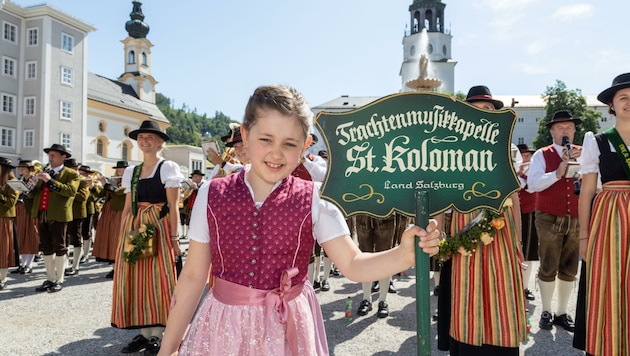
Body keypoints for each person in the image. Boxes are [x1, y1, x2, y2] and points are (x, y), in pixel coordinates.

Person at [157, 84, 441, 355]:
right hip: (225, 328)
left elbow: (353, 264)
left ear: (305, 145)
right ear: (245, 134)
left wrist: (404, 254)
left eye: (289, 143)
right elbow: (193, 276)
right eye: (265, 139)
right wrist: (168, 347)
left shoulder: (314, 198)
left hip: (289, 325)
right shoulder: (212, 193)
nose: (276, 153)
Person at [437, 86, 528, 355]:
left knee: (503, 292)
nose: (482, 114)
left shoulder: (506, 147)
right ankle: (466, 344)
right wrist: (440, 230)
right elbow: (442, 192)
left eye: (487, 109)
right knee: (466, 291)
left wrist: (519, 242)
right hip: (466, 224)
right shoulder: (450, 147)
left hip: (503, 227)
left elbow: (514, 196)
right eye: (476, 109)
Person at [111, 120, 183, 355]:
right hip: (136, 229)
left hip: (159, 229)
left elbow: (173, 207)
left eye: (150, 137)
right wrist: (122, 236)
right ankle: (144, 334)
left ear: (160, 142)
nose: (145, 141)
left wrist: (174, 240)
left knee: (158, 279)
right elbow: (128, 207)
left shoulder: (167, 168)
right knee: (137, 278)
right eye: (141, 138)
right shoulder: (132, 172)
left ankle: (158, 335)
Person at [577, 72, 630, 355]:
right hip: (609, 221)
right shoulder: (597, 141)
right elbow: (586, 193)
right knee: (608, 284)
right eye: (623, 98)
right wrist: (583, 237)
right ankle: (609, 344)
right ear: (612, 105)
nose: (629, 103)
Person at [527, 110, 582, 332]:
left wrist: (585, 168)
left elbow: (596, 183)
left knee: (570, 265)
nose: (565, 131)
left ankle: (562, 312)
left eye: (569, 127)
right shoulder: (542, 154)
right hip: (548, 215)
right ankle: (546, 311)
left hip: (577, 215)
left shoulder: (584, 152)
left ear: (575, 130)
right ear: (551, 131)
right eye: (560, 128)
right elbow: (533, 184)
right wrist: (557, 173)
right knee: (548, 263)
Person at [29, 144, 80, 293]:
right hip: (42, 213)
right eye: (49, 155)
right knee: (46, 247)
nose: (50, 158)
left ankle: (60, 279)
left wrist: (49, 181)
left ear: (63, 157)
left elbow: (70, 191)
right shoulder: (44, 171)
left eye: (53, 155)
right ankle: (50, 278)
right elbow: (33, 195)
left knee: (60, 246)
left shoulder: (71, 174)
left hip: (58, 214)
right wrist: (30, 186)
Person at [92, 161, 127, 278]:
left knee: (116, 238)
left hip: (119, 212)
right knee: (108, 238)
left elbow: (118, 192)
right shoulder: (114, 181)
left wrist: (106, 184)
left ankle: (119, 268)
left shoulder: (129, 182)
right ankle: (114, 267)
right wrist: (91, 186)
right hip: (108, 211)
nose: (120, 171)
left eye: (122, 169)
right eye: (119, 169)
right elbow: (101, 194)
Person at [516, 143, 538, 301]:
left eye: (528, 156)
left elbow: (533, 186)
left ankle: (524, 287)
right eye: (523, 156)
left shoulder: (533, 170)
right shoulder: (514, 172)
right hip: (514, 212)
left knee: (529, 251)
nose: (526, 158)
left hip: (530, 212)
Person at [12, 160, 40, 275]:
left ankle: (29, 265)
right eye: (20, 169)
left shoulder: (35, 180)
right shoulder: (21, 180)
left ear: (30, 169)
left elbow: (35, 194)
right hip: (20, 209)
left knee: (30, 236)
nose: (21, 171)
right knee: (21, 236)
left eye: (23, 169)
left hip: (30, 211)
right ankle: (22, 264)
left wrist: (25, 190)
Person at [63, 158, 89, 276]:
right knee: (65, 239)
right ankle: (65, 264)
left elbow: (83, 196)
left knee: (76, 239)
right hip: (64, 212)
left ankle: (75, 265)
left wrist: (67, 192)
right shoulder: (64, 178)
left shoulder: (82, 180)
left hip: (77, 213)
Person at [0, 157, 20, 290]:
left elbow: (10, 202)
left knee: (3, 249)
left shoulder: (13, 182)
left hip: (4, 219)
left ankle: (2, 278)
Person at [79, 165, 97, 264]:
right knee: (78, 232)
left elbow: (94, 197)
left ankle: (85, 254)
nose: (81, 175)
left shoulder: (93, 183)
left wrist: (89, 187)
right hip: (78, 210)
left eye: (83, 174)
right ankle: (80, 251)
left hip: (88, 209)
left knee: (86, 232)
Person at [180, 169, 205, 238]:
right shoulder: (189, 185)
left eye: (196, 177)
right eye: (193, 177)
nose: (194, 179)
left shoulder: (204, 185)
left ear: (200, 177)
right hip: (190, 208)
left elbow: (202, 196)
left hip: (199, 209)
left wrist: (196, 188)